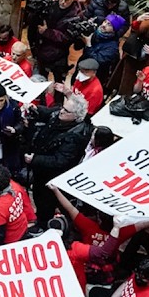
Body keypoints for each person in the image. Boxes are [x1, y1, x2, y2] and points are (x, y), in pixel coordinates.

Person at [25, 92, 92, 221]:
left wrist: (35, 159)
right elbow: (49, 112)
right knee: (38, 196)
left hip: (52, 177)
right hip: (40, 168)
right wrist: (35, 108)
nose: (61, 111)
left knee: (46, 202)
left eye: (66, 111)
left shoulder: (76, 137)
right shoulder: (60, 115)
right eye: (63, 107)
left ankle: (44, 223)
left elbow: (59, 161)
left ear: (76, 116)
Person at [30, 0, 81, 80]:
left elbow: (66, 38)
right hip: (43, 48)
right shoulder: (52, 4)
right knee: (40, 78)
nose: (62, 2)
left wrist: (47, 32)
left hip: (59, 53)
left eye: (66, 0)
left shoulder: (76, 15)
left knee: (59, 81)